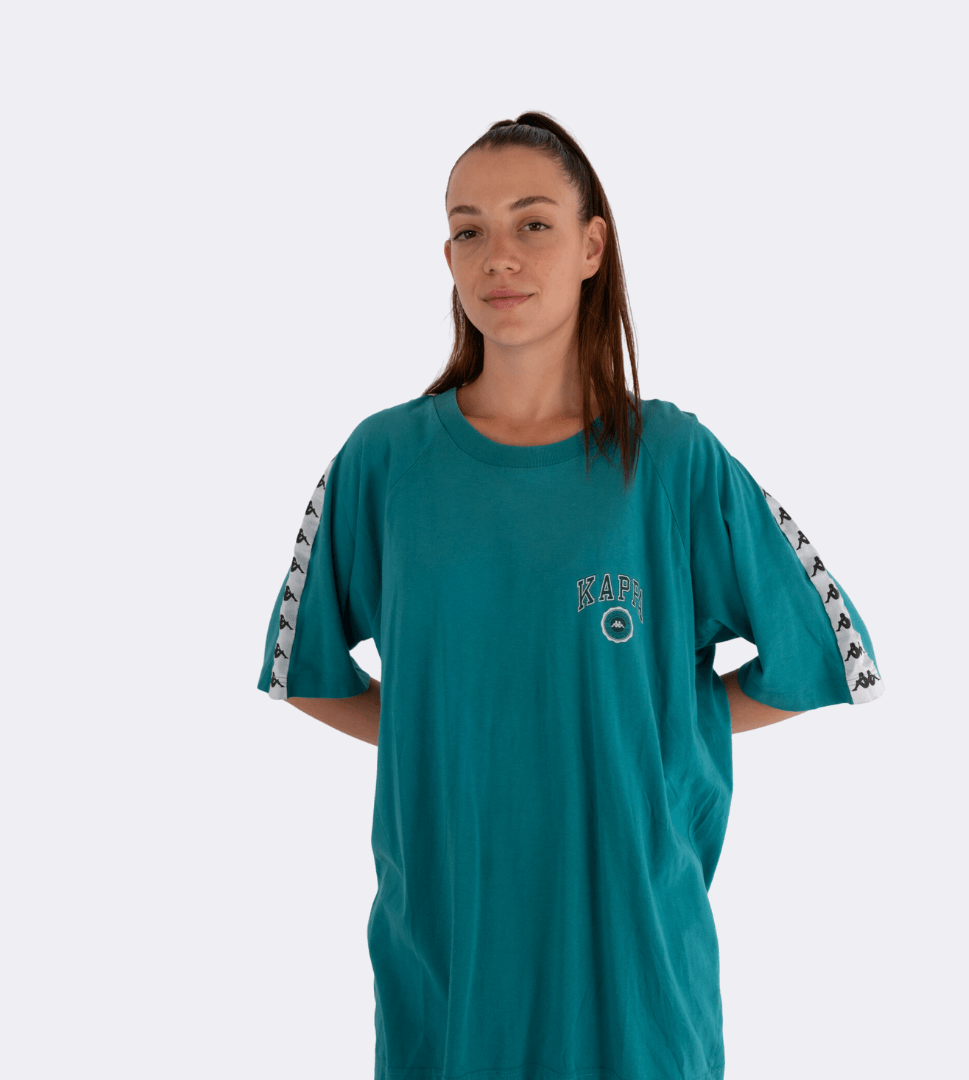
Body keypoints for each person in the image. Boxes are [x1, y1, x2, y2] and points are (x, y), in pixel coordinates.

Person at [257, 111, 883, 1080]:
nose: (498, 256)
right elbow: (303, 670)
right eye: (469, 230)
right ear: (448, 258)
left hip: (636, 978)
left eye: (533, 223)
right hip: (451, 967)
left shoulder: (671, 462)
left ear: (593, 246)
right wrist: (449, 729)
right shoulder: (384, 464)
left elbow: (827, 655)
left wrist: (654, 719)